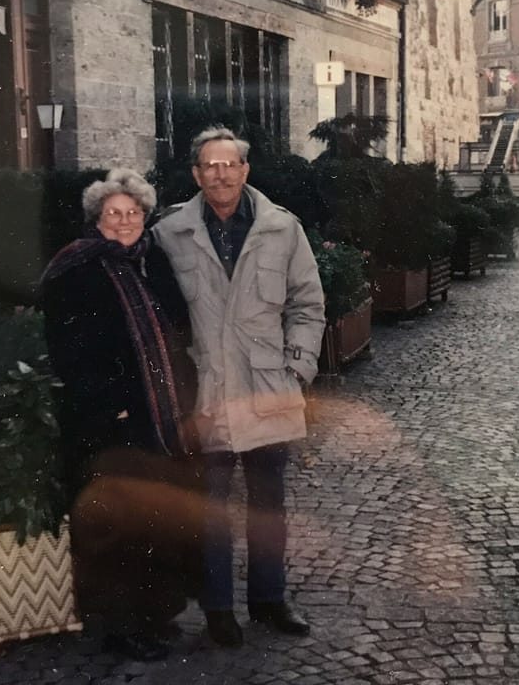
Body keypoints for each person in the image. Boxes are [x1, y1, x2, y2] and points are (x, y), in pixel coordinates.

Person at [152, 127, 325, 648]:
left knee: (268, 504)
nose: (221, 174)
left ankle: (270, 600)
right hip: (207, 393)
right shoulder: (171, 233)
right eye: (210, 166)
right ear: (197, 174)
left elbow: (307, 304)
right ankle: (219, 608)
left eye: (230, 165)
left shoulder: (281, 229)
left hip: (268, 389)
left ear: (246, 171)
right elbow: (160, 316)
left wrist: (296, 369)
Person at [41, 168, 202, 661]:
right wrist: (114, 403)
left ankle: (154, 616)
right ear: (96, 219)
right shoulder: (76, 269)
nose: (125, 220)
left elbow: (179, 325)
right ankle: (119, 625)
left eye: (134, 212)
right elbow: (69, 350)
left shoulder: (150, 261)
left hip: (159, 415)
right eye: (114, 213)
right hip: (109, 418)